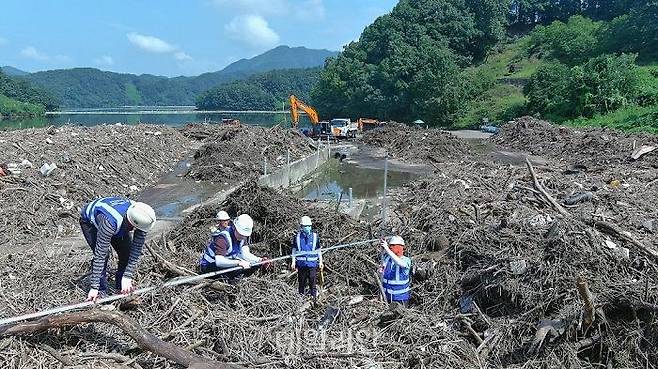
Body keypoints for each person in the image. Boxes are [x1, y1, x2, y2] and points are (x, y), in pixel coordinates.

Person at [79, 197, 156, 303]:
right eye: (132, 228)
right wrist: (94, 287)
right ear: (130, 222)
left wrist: (127, 276)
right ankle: (100, 290)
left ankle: (121, 287)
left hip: (119, 220)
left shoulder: (141, 216)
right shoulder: (109, 223)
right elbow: (100, 255)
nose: (134, 231)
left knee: (126, 252)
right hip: (91, 222)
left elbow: (136, 248)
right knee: (104, 255)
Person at [198, 214, 269, 281]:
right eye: (241, 234)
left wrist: (259, 260)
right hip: (209, 265)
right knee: (238, 269)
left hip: (225, 260)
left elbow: (246, 255)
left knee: (252, 265)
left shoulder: (242, 238)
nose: (243, 237)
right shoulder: (223, 238)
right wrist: (238, 262)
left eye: (245, 235)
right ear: (234, 227)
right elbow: (219, 261)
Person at [290, 216, 323, 299]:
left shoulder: (315, 237)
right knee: (301, 284)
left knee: (313, 284)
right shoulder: (297, 237)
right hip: (301, 265)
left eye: (309, 226)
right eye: (305, 226)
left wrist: (321, 262)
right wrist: (293, 262)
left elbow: (318, 250)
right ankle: (300, 300)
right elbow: (294, 250)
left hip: (312, 265)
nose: (307, 228)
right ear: (301, 227)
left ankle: (314, 299)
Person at [379, 236, 412, 306]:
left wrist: (387, 248)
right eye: (390, 245)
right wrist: (380, 271)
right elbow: (382, 272)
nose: (391, 247)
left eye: (393, 245)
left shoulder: (406, 260)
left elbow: (399, 263)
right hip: (386, 297)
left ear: (401, 247)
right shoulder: (387, 259)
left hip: (401, 299)